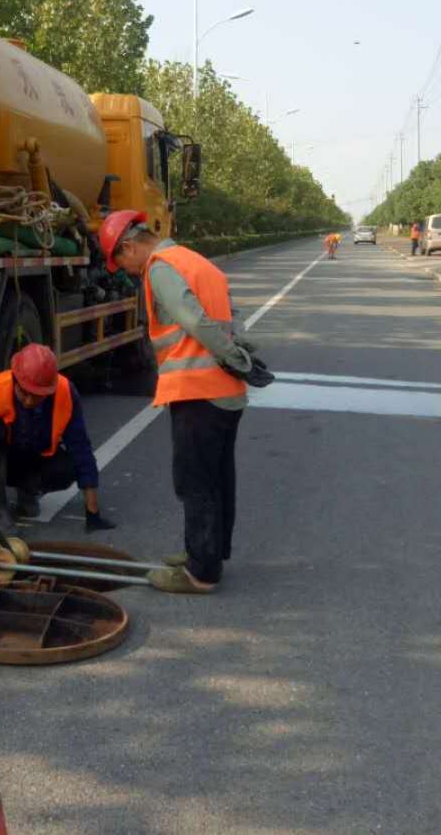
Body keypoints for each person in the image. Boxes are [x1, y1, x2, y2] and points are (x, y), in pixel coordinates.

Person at [99, 211, 272, 594]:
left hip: (197, 390)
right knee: (219, 478)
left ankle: (200, 574)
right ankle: (209, 554)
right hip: (225, 391)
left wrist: (233, 356)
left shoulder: (161, 269)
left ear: (129, 246)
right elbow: (232, 314)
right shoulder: (196, 261)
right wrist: (241, 354)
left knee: (194, 482)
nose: (125, 270)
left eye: (121, 261)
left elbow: (194, 321)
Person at [0, 343, 114, 534]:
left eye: (37, 396)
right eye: (24, 392)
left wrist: (93, 514)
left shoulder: (65, 392)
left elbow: (82, 449)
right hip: (5, 461)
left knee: (69, 466)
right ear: (15, 379)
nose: (29, 401)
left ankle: (27, 497)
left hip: (35, 457)